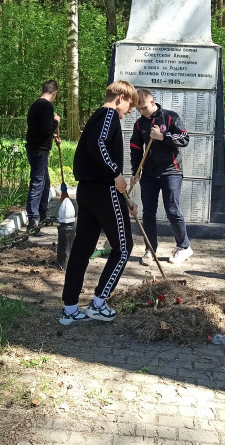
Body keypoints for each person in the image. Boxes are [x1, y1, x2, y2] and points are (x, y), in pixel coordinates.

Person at [59, 80, 139, 325]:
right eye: (129, 104)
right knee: (124, 248)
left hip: (88, 191)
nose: (129, 110)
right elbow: (97, 144)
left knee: (82, 249)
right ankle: (99, 302)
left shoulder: (97, 116)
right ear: (119, 98)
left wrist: (124, 199)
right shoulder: (108, 115)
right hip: (103, 191)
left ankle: (71, 308)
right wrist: (116, 173)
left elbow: (94, 147)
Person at [130, 89, 193, 265]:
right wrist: (136, 172)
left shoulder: (170, 117)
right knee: (148, 212)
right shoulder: (139, 124)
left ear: (152, 102)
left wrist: (162, 136)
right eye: (138, 109)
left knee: (172, 209)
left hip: (171, 171)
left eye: (143, 108)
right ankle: (150, 249)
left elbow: (184, 139)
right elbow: (135, 149)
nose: (142, 112)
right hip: (149, 174)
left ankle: (184, 247)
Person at [25, 80, 61, 236]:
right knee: (38, 182)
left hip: (35, 147)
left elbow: (38, 128)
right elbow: (46, 128)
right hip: (39, 150)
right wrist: (56, 122)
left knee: (45, 182)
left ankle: (43, 214)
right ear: (54, 93)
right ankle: (32, 221)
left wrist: (53, 135)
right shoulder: (47, 106)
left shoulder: (35, 105)